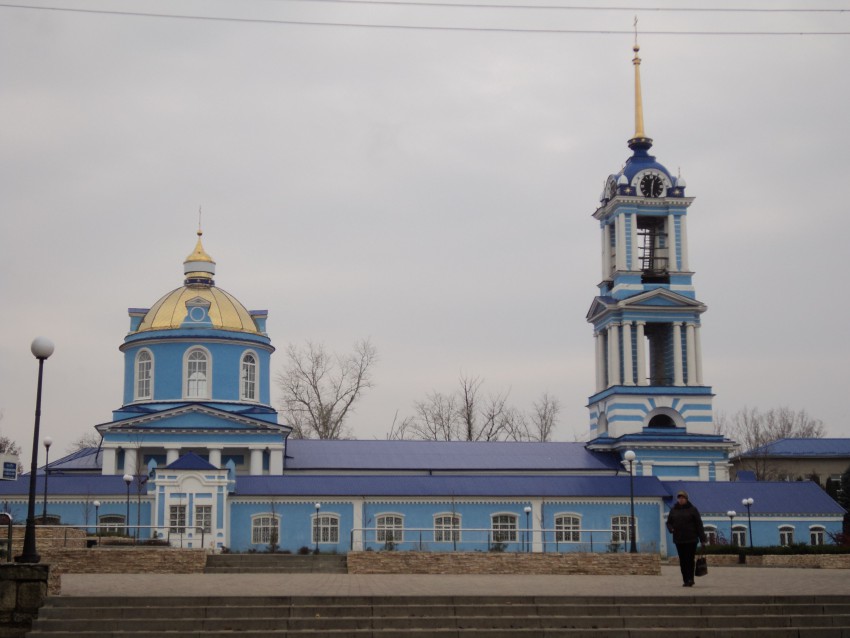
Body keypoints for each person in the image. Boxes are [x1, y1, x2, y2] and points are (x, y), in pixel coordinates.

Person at [666, 490, 707, 587]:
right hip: (679, 539)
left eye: (683, 498)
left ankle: (690, 579)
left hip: (691, 539)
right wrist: (671, 528)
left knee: (689, 559)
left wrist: (702, 539)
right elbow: (668, 522)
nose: (681, 499)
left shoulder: (693, 509)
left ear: (686, 499)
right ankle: (685, 579)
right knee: (683, 560)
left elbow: (699, 524)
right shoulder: (673, 510)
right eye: (679, 498)